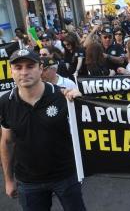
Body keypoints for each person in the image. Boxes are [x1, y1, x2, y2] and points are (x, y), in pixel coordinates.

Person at [0, 48, 86, 210]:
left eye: (30, 66)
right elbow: (7, 141)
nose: (24, 72)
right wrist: (9, 180)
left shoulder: (62, 96)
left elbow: (88, 130)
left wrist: (80, 102)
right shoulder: (6, 102)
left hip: (65, 176)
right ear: (11, 71)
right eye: (18, 67)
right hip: (28, 182)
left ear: (40, 68)